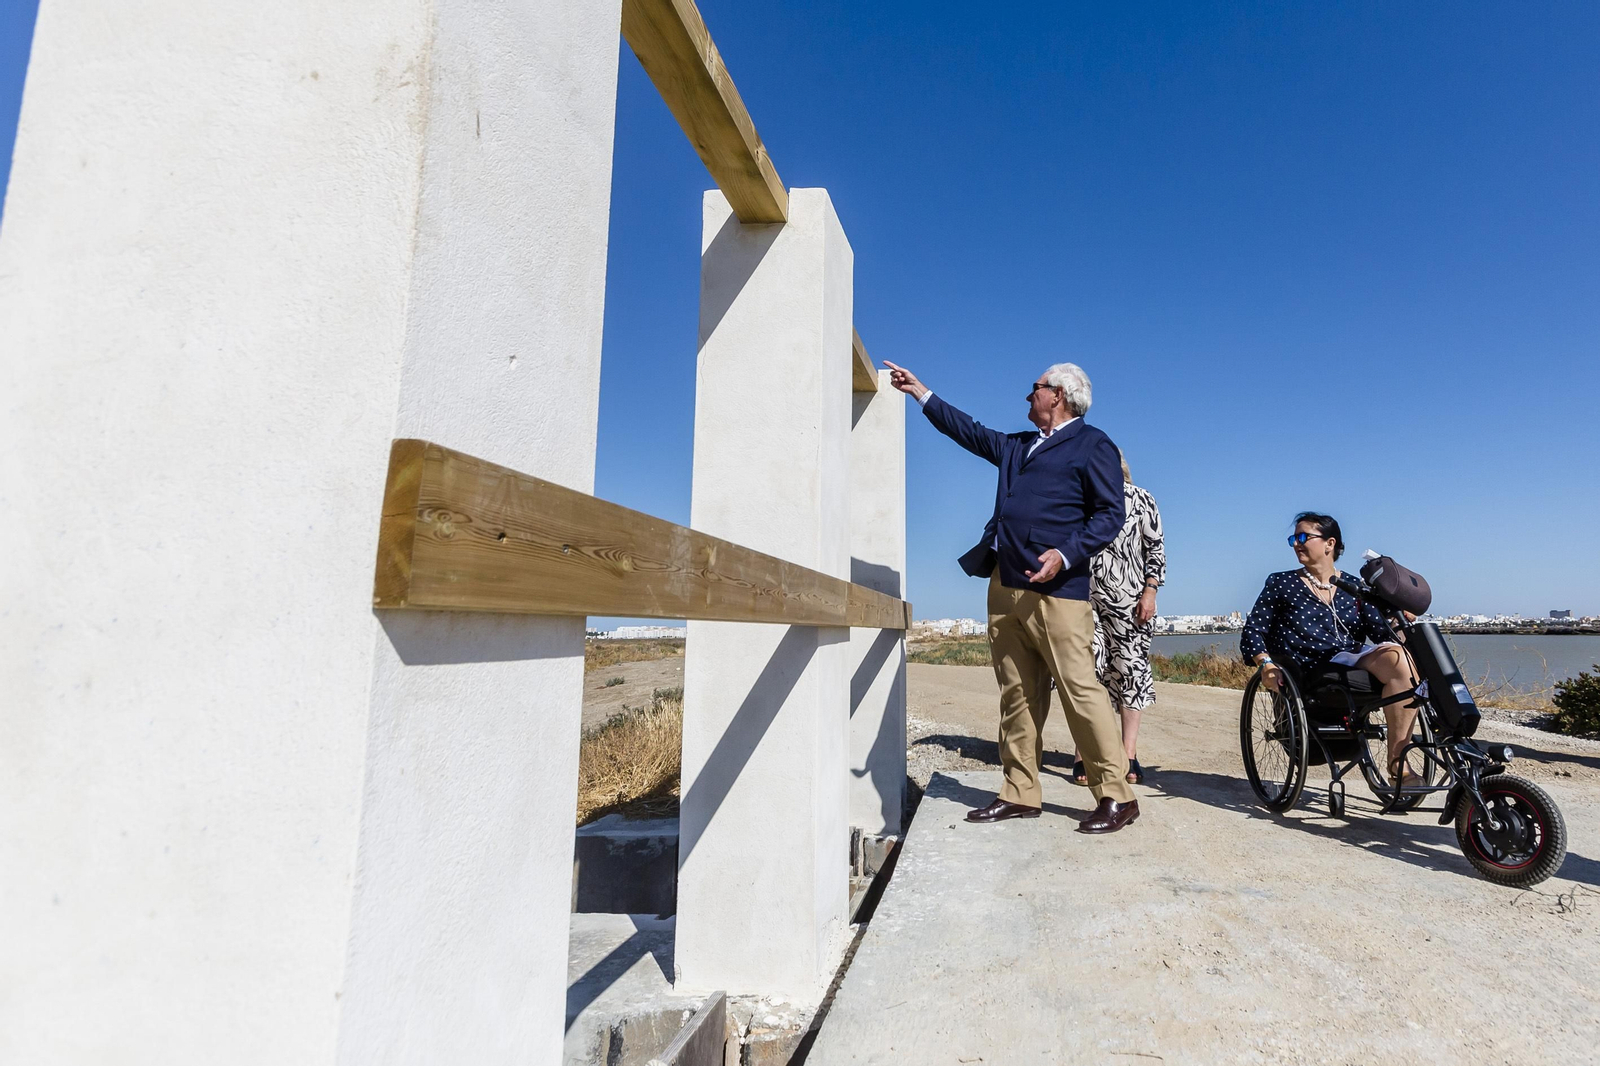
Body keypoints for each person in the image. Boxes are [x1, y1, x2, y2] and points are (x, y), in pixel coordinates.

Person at [884, 358, 1140, 834]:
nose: (1028, 397)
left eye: (1034, 389)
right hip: (1005, 584)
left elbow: (1109, 515)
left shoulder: (1093, 444)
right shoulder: (1016, 446)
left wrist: (1065, 555)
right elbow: (969, 431)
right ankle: (1020, 792)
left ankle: (1116, 795)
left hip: (1058, 590)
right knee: (1016, 694)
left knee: (1079, 691)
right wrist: (922, 393)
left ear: (1058, 395)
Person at [1240, 512, 1421, 783]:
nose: (1296, 543)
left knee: (1400, 657)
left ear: (1330, 543)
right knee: (1396, 658)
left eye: (1303, 537)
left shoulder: (1355, 587)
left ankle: (1398, 764)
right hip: (1310, 668)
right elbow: (1254, 630)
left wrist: (1398, 620)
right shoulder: (1281, 583)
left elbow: (1380, 634)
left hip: (1352, 658)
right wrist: (1265, 663)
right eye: (1293, 538)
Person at [1071, 452, 1164, 786]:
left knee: (1129, 670)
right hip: (1082, 599)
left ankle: (1128, 754)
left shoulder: (1141, 499)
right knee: (1085, 671)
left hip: (1130, 601)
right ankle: (1084, 752)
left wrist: (1150, 592)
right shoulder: (1080, 500)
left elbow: (1155, 550)